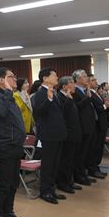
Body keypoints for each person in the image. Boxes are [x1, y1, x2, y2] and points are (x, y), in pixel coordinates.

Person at [0, 68, 27, 217]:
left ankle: (8, 211)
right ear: (1, 80)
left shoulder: (8, 97)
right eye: (11, 77)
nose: (14, 80)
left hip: (14, 146)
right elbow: (1, 113)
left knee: (13, 182)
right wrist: (8, 94)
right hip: (3, 147)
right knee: (3, 183)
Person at [32, 67, 67, 204]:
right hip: (48, 135)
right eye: (54, 75)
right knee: (48, 165)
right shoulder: (40, 93)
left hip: (57, 134)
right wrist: (49, 100)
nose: (57, 77)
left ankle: (51, 189)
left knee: (55, 164)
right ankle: (45, 191)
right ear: (45, 78)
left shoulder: (53, 92)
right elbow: (38, 113)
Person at [56, 76, 83, 194]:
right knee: (65, 160)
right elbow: (63, 116)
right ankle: (63, 183)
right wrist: (68, 99)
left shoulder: (70, 97)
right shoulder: (60, 97)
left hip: (75, 133)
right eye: (71, 83)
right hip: (68, 135)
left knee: (72, 159)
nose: (74, 85)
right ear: (64, 86)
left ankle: (69, 181)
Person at [71, 69, 98, 184]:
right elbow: (77, 108)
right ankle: (79, 176)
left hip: (90, 126)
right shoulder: (74, 91)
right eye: (84, 76)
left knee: (87, 152)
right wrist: (87, 97)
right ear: (77, 79)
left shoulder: (85, 90)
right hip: (82, 127)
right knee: (80, 154)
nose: (86, 78)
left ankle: (84, 173)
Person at [87, 74, 109, 178]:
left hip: (102, 124)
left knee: (99, 148)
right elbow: (98, 109)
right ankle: (93, 169)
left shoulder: (96, 93)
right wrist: (106, 105)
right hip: (97, 126)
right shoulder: (90, 94)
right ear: (88, 83)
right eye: (93, 80)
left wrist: (107, 105)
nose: (96, 81)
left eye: (95, 79)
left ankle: (96, 167)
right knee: (95, 149)